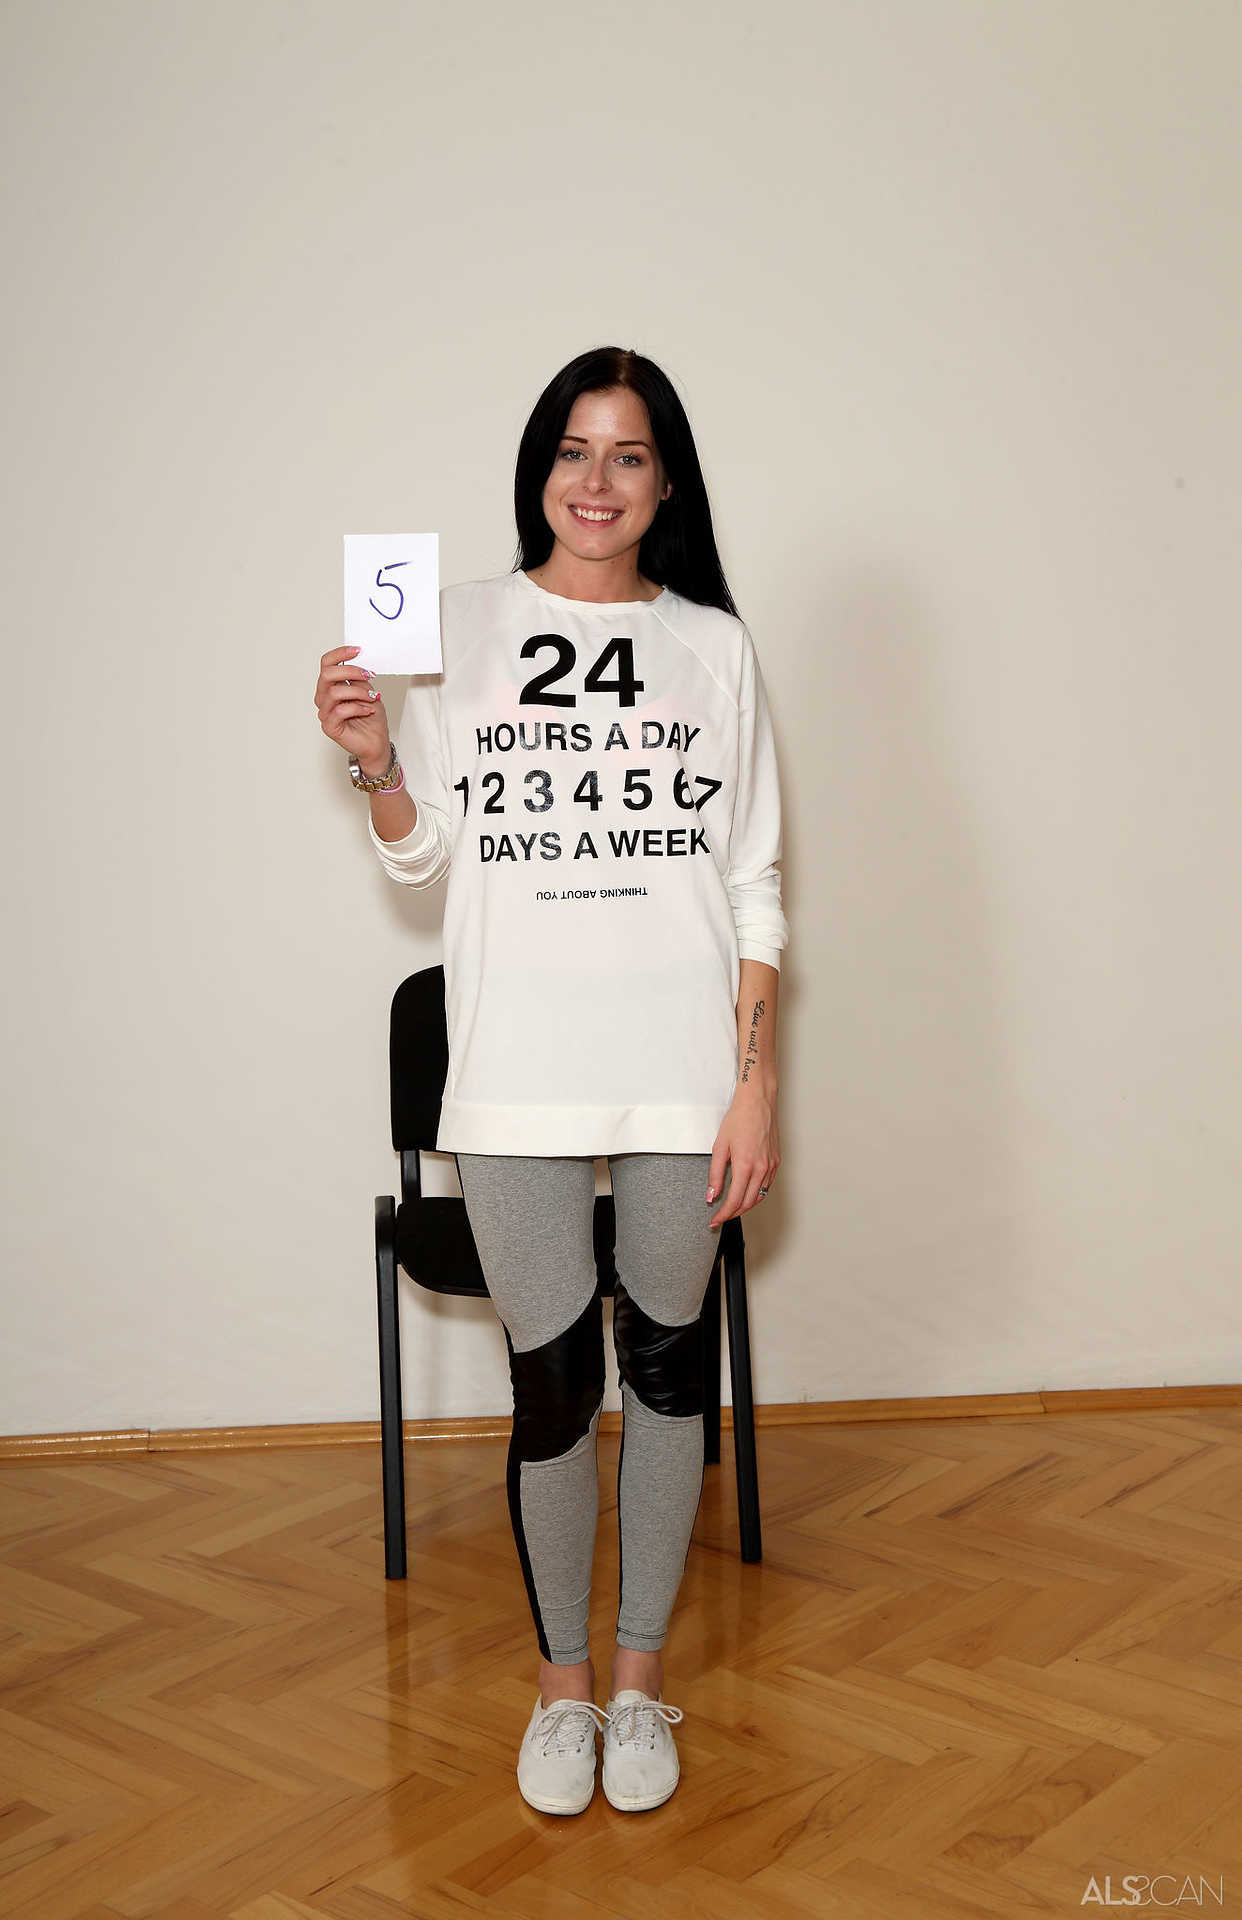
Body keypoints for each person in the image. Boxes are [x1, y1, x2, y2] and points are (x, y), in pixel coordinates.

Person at [315, 346, 787, 1816]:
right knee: (555, 1386)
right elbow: (423, 859)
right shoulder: (456, 626)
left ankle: (640, 1681)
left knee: (667, 1375)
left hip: (679, 1077)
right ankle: (563, 1689)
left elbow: (754, 884)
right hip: (514, 1075)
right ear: (539, 471)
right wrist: (375, 757)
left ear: (665, 483)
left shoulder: (715, 647)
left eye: (628, 454)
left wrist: (755, 1082)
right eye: (574, 450)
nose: (597, 480)